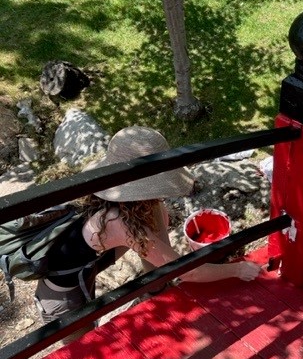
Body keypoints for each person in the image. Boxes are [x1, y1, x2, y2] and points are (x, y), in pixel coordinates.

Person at [34, 126, 262, 331]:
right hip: (61, 294)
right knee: (83, 344)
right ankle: (149, 293)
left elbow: (161, 249)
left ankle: (151, 292)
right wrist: (237, 270)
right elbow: (187, 271)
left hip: (87, 265)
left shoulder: (124, 202)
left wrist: (160, 282)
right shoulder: (120, 223)